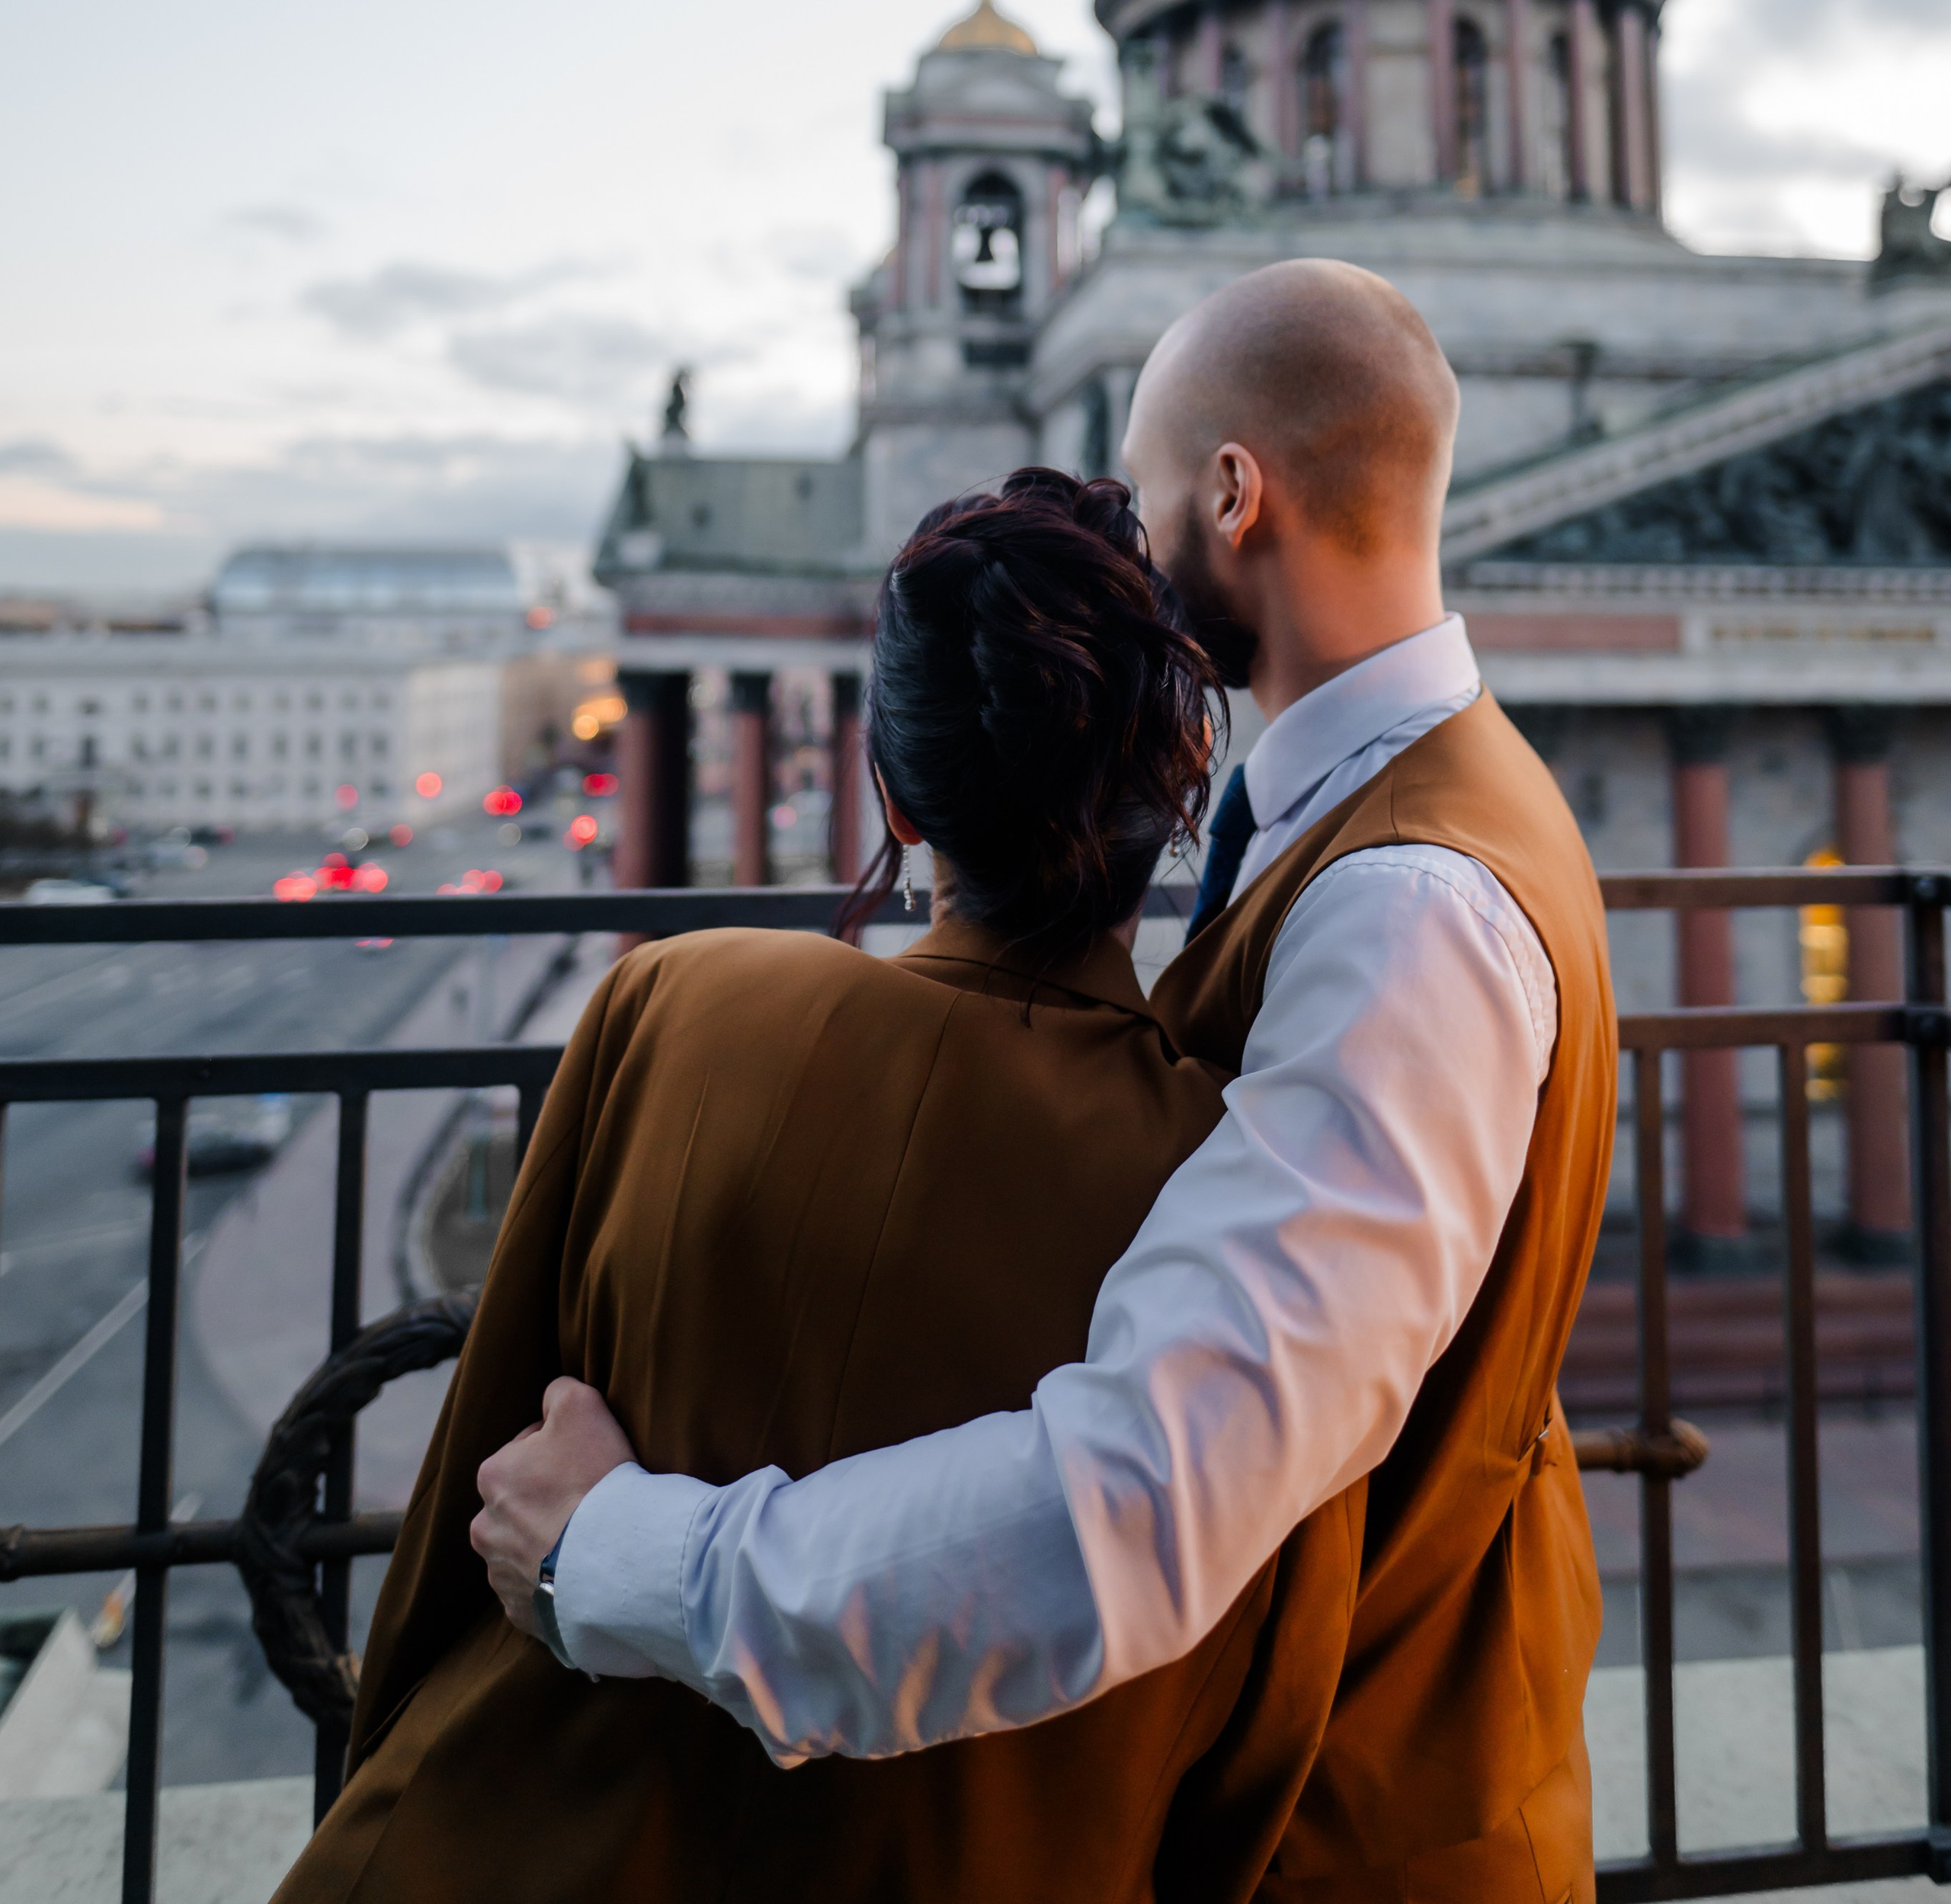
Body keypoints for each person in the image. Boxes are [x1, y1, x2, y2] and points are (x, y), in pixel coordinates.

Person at [474, 260, 1619, 1900]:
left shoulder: (1409, 908)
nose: (1131, 562)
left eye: (1147, 492)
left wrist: (625, 1554)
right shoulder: (1408, 806)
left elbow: (1141, 1499)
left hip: (1360, 1825)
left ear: (1232, 493)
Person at [274, 470, 1363, 1904]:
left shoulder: (668, 1005)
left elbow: (469, 1491)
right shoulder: (1245, 1171)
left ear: (899, 801)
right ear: (1176, 799)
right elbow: (1269, 1693)